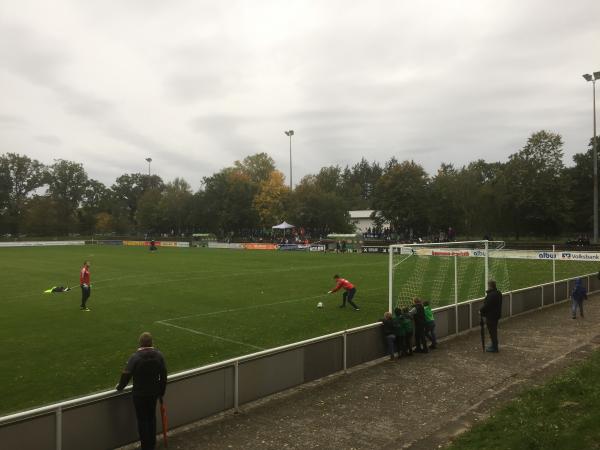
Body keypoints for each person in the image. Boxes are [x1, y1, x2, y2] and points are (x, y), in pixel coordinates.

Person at [116, 332, 167, 450]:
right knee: (151, 418)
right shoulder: (159, 355)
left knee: (142, 420)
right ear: (151, 342)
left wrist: (120, 387)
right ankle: (152, 444)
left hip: (139, 394)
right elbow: (164, 375)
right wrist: (161, 391)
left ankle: (146, 446)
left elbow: (126, 375)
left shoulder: (135, 357)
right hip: (153, 393)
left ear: (140, 343)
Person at [480, 280, 503, 353]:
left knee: (492, 332)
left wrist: (480, 311)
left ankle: (494, 347)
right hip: (496, 316)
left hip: (491, 317)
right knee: (493, 331)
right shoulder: (499, 293)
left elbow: (486, 306)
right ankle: (494, 345)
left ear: (490, 286)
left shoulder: (491, 295)